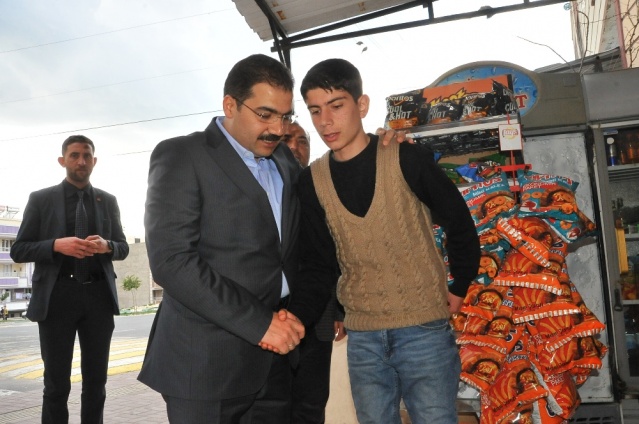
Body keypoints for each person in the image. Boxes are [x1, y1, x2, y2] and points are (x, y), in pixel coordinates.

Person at [297, 58, 481, 424]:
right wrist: (315, 315)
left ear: (362, 105)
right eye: (315, 111)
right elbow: (320, 262)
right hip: (363, 337)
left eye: (336, 106)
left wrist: (460, 284)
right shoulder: (312, 182)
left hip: (423, 329)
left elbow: (459, 221)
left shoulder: (404, 156)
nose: (325, 121)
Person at [10, 135, 129, 424]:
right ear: (62, 160)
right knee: (56, 385)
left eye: (87, 155)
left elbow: (123, 247)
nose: (81, 161)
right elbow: (19, 250)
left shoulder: (108, 200)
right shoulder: (40, 199)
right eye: (74, 155)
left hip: (98, 297)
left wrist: (107, 246)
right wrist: (55, 245)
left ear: (94, 161)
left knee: (96, 383)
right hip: (57, 297)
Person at [283, 122, 343, 423]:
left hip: (319, 319)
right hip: (274, 319)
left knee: (312, 404)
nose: (295, 147)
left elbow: (337, 251)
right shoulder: (259, 186)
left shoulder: (323, 186)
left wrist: (339, 310)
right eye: (287, 139)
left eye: (302, 141)